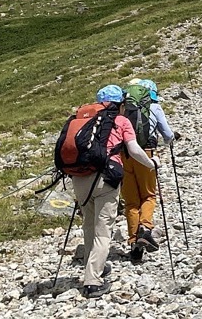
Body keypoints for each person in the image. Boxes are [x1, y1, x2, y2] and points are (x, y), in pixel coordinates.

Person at [72, 85, 159, 298]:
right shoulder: (121, 121)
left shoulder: (84, 119)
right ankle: (92, 282)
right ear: (120, 104)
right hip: (105, 179)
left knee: (89, 226)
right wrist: (151, 163)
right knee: (103, 232)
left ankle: (93, 267)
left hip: (78, 178)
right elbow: (134, 149)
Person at [121, 78, 176, 264]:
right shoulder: (154, 108)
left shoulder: (122, 110)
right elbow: (167, 135)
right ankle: (145, 228)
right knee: (149, 195)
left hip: (123, 156)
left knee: (131, 201)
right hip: (145, 154)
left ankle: (134, 246)